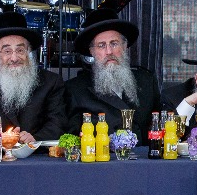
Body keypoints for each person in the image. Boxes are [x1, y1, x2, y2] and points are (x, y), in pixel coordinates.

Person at [0, 11, 66, 143]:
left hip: (36, 152)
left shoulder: (51, 82)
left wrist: (35, 139)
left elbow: (58, 123)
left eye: (20, 50)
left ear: (29, 51)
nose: (14, 58)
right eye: (7, 51)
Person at [63, 10, 161, 141]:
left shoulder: (146, 81)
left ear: (125, 46)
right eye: (101, 45)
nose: (109, 51)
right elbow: (72, 138)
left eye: (114, 44)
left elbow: (161, 124)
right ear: (92, 51)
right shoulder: (75, 89)